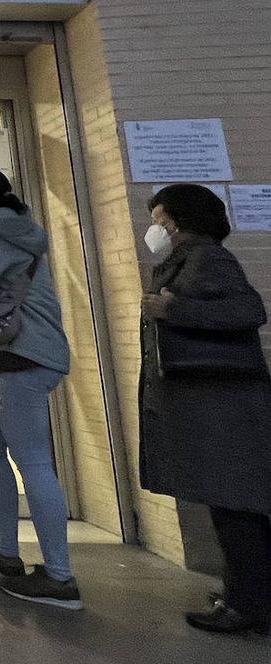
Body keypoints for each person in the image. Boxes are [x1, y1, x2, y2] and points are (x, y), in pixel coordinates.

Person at [139, 184, 271, 634]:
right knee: (231, 505)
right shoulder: (191, 258)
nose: (155, 230)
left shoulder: (208, 257)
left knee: (236, 506)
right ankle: (245, 593)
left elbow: (247, 311)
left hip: (224, 405)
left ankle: (248, 605)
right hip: (212, 403)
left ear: (177, 220)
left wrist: (173, 310)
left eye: (158, 221)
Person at [0, 166, 80, 610]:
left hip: (20, 354)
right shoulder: (27, 231)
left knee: (34, 462)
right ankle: (7, 552)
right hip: (37, 351)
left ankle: (60, 577)